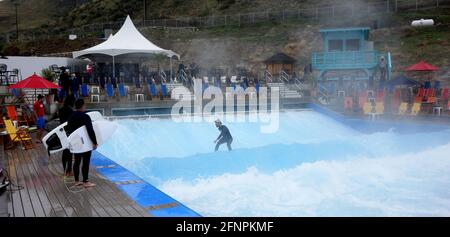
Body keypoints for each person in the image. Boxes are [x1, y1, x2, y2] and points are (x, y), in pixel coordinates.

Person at [66, 99, 97, 188]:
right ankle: (85, 181)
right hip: (85, 142)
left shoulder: (71, 116)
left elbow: (68, 129)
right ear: (82, 106)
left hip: (76, 142)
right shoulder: (85, 116)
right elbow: (90, 130)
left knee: (77, 161)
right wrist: (94, 142)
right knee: (86, 161)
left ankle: (76, 181)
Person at [58, 94, 75, 177]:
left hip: (62, 132)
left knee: (64, 152)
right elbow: (72, 123)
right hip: (70, 132)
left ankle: (65, 170)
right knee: (70, 152)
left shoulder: (60, 110)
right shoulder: (71, 111)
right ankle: (69, 170)